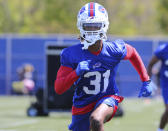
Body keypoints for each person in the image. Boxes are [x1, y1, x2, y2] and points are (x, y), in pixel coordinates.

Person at [54, 2, 152, 131]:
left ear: (104, 26)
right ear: (81, 27)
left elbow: (132, 52)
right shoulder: (71, 54)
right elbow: (59, 88)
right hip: (82, 104)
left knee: (96, 119)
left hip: (108, 98)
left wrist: (146, 80)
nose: (92, 30)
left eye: (96, 26)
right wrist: (76, 73)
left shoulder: (113, 49)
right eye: (88, 26)